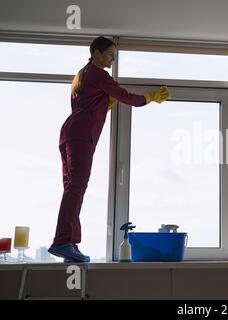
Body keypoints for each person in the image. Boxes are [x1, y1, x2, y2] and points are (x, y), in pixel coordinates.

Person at [48, 36, 170, 262]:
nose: (112, 60)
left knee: (72, 188)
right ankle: (63, 242)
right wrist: (150, 97)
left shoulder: (82, 75)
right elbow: (126, 96)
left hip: (70, 133)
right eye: (110, 55)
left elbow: (90, 103)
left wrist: (106, 102)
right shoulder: (99, 74)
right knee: (77, 187)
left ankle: (69, 243)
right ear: (96, 53)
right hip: (81, 135)